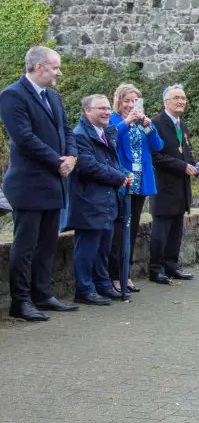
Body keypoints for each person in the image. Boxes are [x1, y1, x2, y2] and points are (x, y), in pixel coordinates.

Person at [0, 47, 78, 321]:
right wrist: (58, 160)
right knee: (25, 244)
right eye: (55, 67)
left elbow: (66, 130)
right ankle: (20, 301)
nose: (59, 72)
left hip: (54, 183)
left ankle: (42, 295)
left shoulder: (53, 97)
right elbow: (23, 138)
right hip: (29, 184)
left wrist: (71, 157)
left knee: (47, 243)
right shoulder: (12, 95)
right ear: (38, 67)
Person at [67, 94, 134, 305]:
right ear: (88, 111)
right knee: (87, 248)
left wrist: (124, 173)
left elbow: (110, 162)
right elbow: (88, 166)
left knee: (103, 247)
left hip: (106, 200)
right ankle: (84, 289)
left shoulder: (104, 133)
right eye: (101, 109)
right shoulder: (79, 136)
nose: (106, 112)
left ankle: (103, 284)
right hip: (89, 200)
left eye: (107, 108)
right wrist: (120, 177)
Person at [108, 84, 163, 295]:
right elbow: (109, 138)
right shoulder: (114, 120)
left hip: (140, 181)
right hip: (123, 180)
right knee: (119, 230)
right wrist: (125, 122)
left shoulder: (141, 123)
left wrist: (149, 126)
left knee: (131, 230)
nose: (130, 105)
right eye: (127, 101)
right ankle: (114, 275)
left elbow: (158, 146)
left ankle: (125, 273)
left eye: (134, 101)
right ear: (119, 102)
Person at [149, 85, 199, 285]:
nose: (181, 101)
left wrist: (194, 163)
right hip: (163, 187)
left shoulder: (182, 125)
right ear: (166, 102)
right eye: (176, 98)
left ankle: (172, 266)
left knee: (176, 231)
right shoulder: (155, 123)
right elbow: (156, 156)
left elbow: (184, 152)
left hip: (182, 188)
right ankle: (156, 269)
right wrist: (183, 166)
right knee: (160, 231)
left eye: (183, 98)